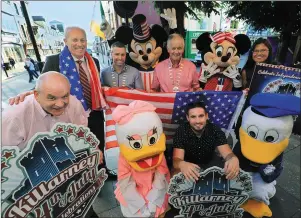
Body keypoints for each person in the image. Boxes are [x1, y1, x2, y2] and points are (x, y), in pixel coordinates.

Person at [172, 102, 239, 181]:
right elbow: (176, 160)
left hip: (210, 163)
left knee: (232, 174)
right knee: (175, 176)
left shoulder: (215, 130)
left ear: (206, 116)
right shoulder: (181, 131)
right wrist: (182, 164)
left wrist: (233, 158)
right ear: (187, 118)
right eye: (193, 117)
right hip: (189, 164)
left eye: (201, 116)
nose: (197, 121)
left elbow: (228, 154)